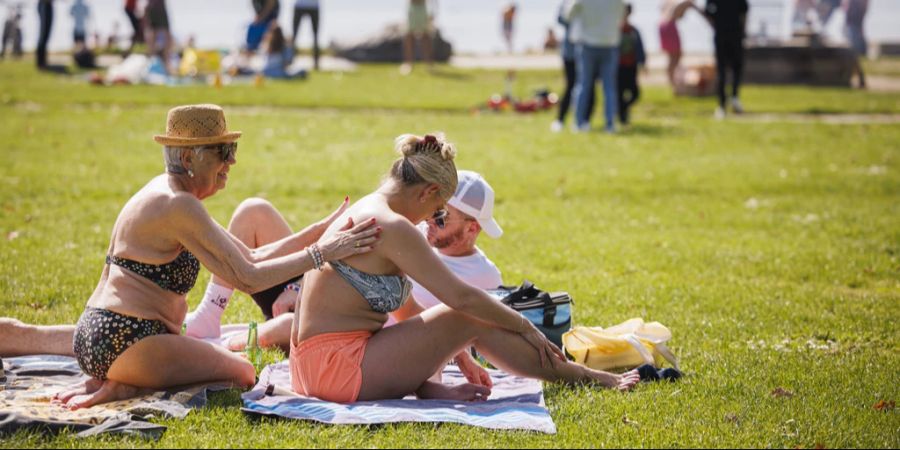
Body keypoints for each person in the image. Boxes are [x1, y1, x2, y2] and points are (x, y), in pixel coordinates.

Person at [42, 104, 379, 410]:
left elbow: (247, 255)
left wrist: (319, 231)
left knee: (232, 367)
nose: (231, 161)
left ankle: (122, 376)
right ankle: (126, 384)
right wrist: (325, 253)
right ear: (189, 159)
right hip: (129, 340)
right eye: (222, 151)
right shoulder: (180, 204)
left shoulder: (169, 193)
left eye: (231, 150)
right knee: (244, 373)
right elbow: (247, 277)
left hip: (99, 336)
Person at [289, 133, 640, 404]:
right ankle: (581, 376)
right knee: (470, 314)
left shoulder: (372, 207)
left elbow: (406, 310)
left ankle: (430, 388)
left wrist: (456, 353)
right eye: (439, 210)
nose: (433, 220)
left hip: (315, 368)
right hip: (335, 370)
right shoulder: (393, 226)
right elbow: (461, 299)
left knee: (463, 320)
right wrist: (524, 326)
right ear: (428, 192)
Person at [564, 0, 626, 134]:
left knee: (584, 84)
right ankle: (610, 124)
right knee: (609, 87)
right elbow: (622, 14)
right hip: (609, 43)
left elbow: (568, 15)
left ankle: (579, 123)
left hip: (588, 44)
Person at [552, 1, 594, 133]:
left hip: (589, 49)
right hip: (570, 51)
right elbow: (561, 19)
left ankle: (585, 120)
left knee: (589, 86)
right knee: (570, 85)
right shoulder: (568, 2)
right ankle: (560, 120)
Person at [702, 0, 749, 119]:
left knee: (732, 67)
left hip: (729, 33)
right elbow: (744, 13)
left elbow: (744, 11)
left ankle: (731, 99)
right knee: (726, 69)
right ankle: (725, 102)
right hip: (728, 33)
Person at [617, 3, 645, 126]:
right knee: (619, 93)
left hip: (631, 66)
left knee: (635, 93)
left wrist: (642, 63)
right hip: (618, 67)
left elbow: (640, 48)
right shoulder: (615, 30)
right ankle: (623, 118)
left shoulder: (633, 31)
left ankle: (623, 109)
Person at [658, 0, 694, 86]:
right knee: (676, 56)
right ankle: (672, 80)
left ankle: (672, 79)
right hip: (669, 27)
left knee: (672, 56)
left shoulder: (671, 2)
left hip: (663, 25)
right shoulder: (685, 3)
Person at [401, 0, 436, 75]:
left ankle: (429, 64)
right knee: (409, 36)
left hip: (423, 6)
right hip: (412, 6)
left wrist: (433, 11)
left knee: (426, 36)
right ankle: (409, 64)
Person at [844, 0, 868, 88]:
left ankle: (859, 79)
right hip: (852, 25)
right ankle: (859, 79)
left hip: (854, 26)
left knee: (852, 55)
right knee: (852, 55)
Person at [291, 0, 320, 71]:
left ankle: (316, 63)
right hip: (300, 5)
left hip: (314, 6)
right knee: (294, 36)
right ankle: (289, 60)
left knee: (315, 36)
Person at [145, 0, 172, 73]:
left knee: (161, 36)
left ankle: (159, 64)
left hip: (156, 6)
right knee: (155, 35)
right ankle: (152, 64)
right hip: (156, 7)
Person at [36, 0, 54, 69]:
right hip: (44, 4)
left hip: (48, 4)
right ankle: (40, 63)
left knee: (46, 35)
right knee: (43, 35)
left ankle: (43, 62)